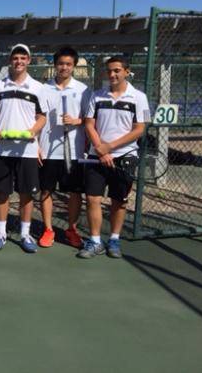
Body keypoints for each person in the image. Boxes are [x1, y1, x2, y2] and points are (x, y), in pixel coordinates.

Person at [78, 56, 150, 259]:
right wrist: (101, 150)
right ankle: (94, 241)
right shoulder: (97, 96)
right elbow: (89, 124)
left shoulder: (139, 97)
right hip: (97, 157)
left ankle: (114, 240)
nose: (112, 74)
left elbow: (139, 129)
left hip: (125, 156)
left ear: (126, 72)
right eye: (109, 71)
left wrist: (109, 147)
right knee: (92, 199)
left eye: (117, 70)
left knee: (119, 200)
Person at [0, 43, 48, 253]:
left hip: (27, 151)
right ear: (10, 60)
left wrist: (33, 132)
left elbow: (42, 117)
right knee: (2, 193)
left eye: (23, 58)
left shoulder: (38, 88)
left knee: (26, 194)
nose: (19, 61)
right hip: (2, 150)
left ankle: (24, 233)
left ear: (28, 60)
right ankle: (1, 233)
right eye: (15, 58)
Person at [37, 46, 90, 249]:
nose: (64, 67)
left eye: (68, 64)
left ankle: (71, 229)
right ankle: (48, 229)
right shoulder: (44, 89)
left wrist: (77, 121)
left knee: (74, 193)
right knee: (46, 191)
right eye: (60, 64)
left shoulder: (83, 90)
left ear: (74, 66)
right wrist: (36, 145)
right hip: (48, 150)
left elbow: (91, 120)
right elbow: (38, 118)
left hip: (73, 152)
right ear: (55, 65)